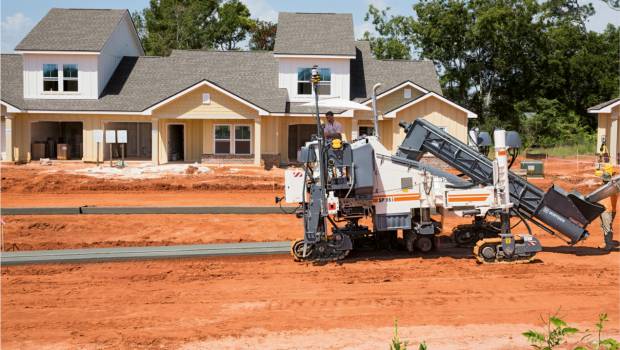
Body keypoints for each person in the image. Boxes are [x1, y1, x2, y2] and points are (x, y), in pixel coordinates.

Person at [600, 171, 619, 251]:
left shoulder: (612, 188)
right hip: (606, 210)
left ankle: (608, 246)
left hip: (607, 210)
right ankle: (606, 242)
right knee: (605, 226)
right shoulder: (612, 187)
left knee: (607, 228)